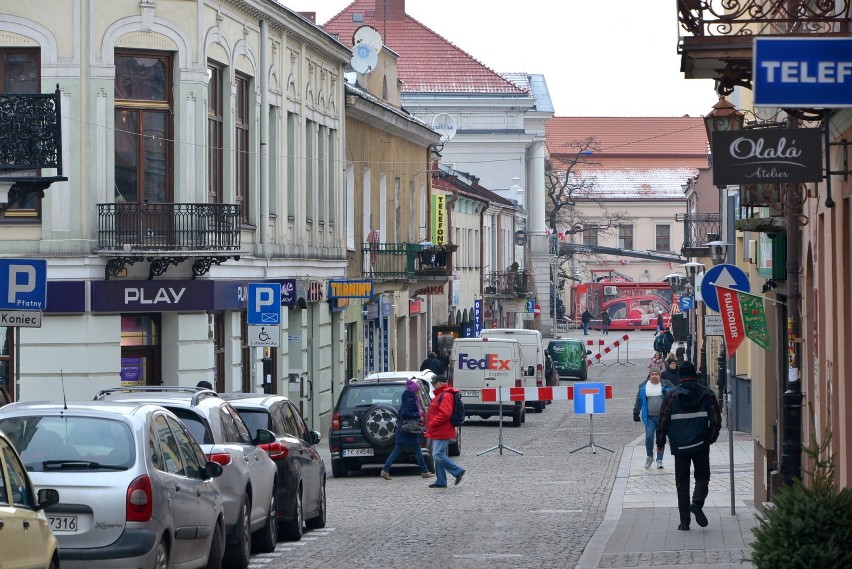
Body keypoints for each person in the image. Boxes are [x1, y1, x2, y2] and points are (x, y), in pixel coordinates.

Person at [656, 361, 722, 531]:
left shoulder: (671, 396)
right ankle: (697, 502)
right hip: (701, 444)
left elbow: (663, 420)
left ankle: (684, 522)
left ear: (680, 376)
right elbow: (716, 419)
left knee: (682, 483)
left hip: (680, 447)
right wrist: (710, 438)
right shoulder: (707, 394)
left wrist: (661, 442)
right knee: (702, 476)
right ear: (694, 375)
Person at [380, 379, 434, 480]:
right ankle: (424, 471)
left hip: (404, 429)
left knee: (398, 450)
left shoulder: (407, 399)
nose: (418, 393)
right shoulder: (410, 400)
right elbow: (404, 413)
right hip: (408, 429)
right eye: (417, 391)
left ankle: (385, 470)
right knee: (416, 449)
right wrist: (417, 414)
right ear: (414, 391)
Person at [425, 375, 465, 488]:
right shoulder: (441, 394)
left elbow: (445, 414)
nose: (433, 385)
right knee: (439, 455)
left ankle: (457, 471)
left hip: (442, 429)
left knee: (437, 455)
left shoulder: (445, 395)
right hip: (439, 430)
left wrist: (433, 423)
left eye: (434, 383)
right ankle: (441, 481)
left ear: (440, 383)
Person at [633, 369, 675, 469]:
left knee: (661, 439)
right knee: (649, 437)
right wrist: (636, 412)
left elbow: (674, 396)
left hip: (663, 417)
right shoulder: (644, 386)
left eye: (656, 374)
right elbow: (639, 400)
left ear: (660, 376)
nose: (654, 376)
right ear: (649, 376)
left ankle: (659, 459)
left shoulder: (666, 385)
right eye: (652, 374)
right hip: (650, 418)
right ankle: (649, 457)